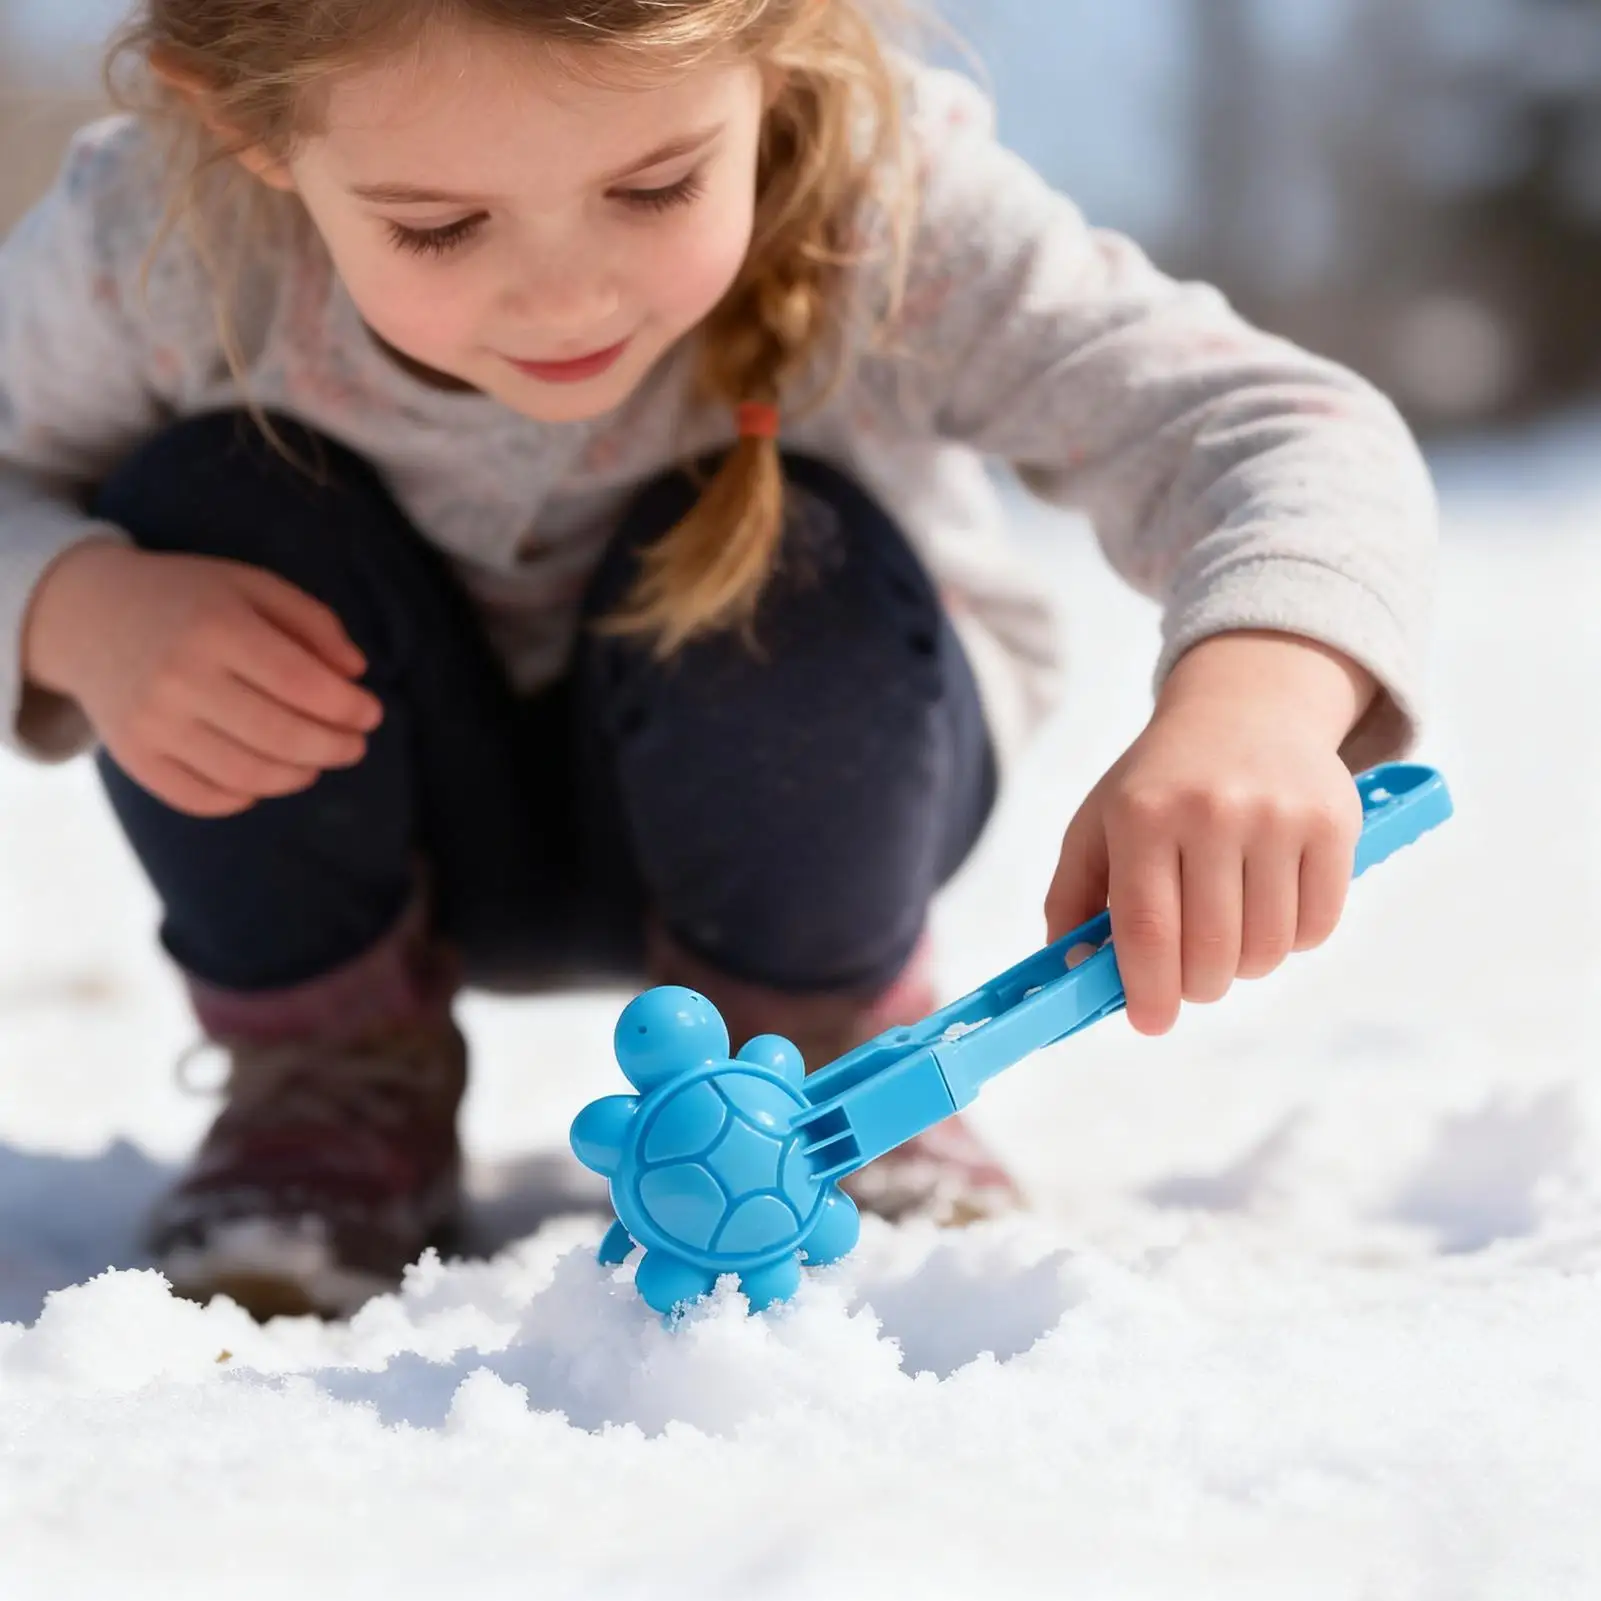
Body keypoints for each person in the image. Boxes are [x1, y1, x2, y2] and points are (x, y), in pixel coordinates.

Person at [0, 0, 1435, 1320]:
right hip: (385, 813)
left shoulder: (888, 213)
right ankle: (331, 1085)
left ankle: (829, 1073)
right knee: (208, 502)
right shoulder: (149, 249)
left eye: (653, 187)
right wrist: (71, 605)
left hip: (803, 789)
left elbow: (1277, 429)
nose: (564, 302)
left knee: (778, 555)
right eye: (439, 226)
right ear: (247, 121)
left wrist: (1255, 701)